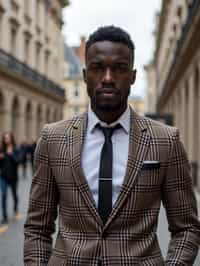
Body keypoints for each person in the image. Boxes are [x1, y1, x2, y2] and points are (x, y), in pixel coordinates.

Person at [24, 26, 200, 265]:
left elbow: (187, 228)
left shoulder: (165, 140)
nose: (108, 78)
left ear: (133, 76)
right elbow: (37, 227)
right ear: (85, 76)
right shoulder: (53, 138)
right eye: (98, 68)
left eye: (119, 68)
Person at [0, 132, 21, 224]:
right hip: (3, 176)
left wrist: (11, 154)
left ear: (11, 139)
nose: (6, 139)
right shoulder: (1, 150)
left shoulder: (16, 149)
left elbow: (18, 161)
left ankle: (15, 207)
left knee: (14, 194)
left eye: (8, 138)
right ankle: (4, 216)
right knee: (4, 194)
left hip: (13, 177)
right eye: (5, 138)